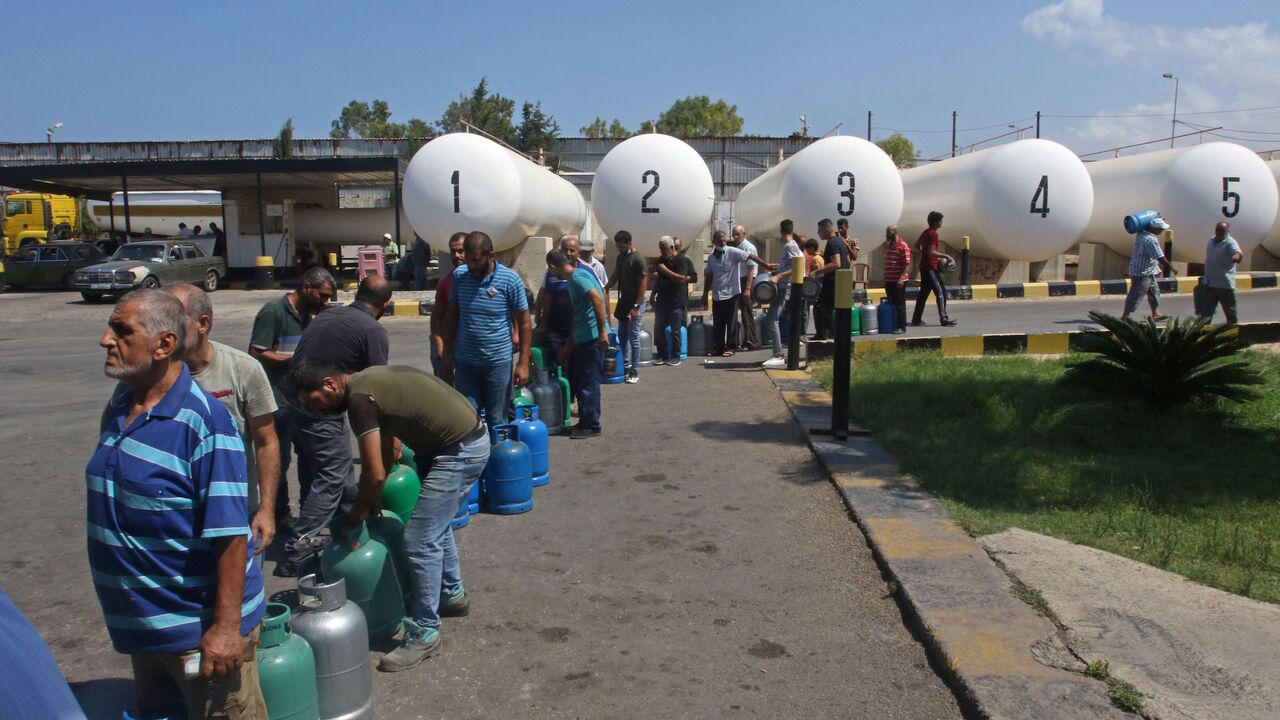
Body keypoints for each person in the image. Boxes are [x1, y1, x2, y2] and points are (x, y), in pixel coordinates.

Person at [87, 289, 267, 719]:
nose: (105, 340)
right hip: (145, 629)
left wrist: (225, 631)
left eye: (121, 331)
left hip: (197, 634)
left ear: (164, 345)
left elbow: (228, 536)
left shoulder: (205, 424)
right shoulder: (120, 404)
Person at [290, 361, 489, 671]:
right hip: (463, 440)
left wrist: (356, 516)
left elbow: (373, 473)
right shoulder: (368, 381)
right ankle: (451, 594)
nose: (319, 411)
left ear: (330, 384)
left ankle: (426, 630)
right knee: (432, 524)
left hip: (459, 450)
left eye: (316, 402)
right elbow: (388, 448)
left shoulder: (358, 401)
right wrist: (372, 496)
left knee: (420, 538)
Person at [278, 276, 392, 577]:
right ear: (385, 305)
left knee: (317, 469)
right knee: (333, 474)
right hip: (320, 403)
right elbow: (379, 387)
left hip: (296, 397)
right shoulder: (372, 330)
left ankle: (346, 531)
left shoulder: (330, 313)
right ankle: (299, 547)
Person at [168, 284, 280, 573]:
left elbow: (266, 442)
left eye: (172, 320)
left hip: (239, 510)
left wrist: (267, 509)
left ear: (202, 324)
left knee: (242, 606)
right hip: (174, 515)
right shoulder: (151, 374)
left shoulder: (243, 369)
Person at [249, 267, 335, 530]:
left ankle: (309, 514)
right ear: (307, 287)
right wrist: (296, 361)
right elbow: (257, 351)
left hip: (301, 402)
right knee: (278, 461)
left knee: (309, 457)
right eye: (322, 296)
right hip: (277, 400)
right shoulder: (273, 312)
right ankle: (277, 513)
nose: (326, 302)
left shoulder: (309, 316)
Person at [441, 231, 532, 423]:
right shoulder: (460, 276)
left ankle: (497, 453)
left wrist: (523, 362)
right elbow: (452, 315)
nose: (471, 266)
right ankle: (476, 454)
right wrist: (447, 354)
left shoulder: (510, 280)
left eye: (475, 260)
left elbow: (524, 321)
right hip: (465, 363)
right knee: (467, 419)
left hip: (497, 364)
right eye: (468, 260)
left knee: (497, 419)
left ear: (490, 256)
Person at [547, 249, 609, 438]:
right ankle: (585, 420)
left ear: (552, 267)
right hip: (583, 339)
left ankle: (592, 425)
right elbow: (578, 316)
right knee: (582, 382)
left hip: (591, 339)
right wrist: (569, 346)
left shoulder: (577, 278)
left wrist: (602, 332)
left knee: (589, 383)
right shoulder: (575, 278)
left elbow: (597, 300)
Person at [701, 230, 772, 357]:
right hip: (717, 295)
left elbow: (750, 256)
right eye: (720, 241)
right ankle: (719, 348)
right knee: (718, 323)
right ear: (714, 241)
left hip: (732, 293)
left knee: (731, 322)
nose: (723, 243)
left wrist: (766, 265)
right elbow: (709, 275)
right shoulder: (711, 257)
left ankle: (731, 347)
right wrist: (705, 294)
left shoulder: (732, 252)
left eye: (724, 240)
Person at [603, 230, 648, 384]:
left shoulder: (637, 259)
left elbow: (643, 284)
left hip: (636, 302)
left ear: (629, 243)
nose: (620, 250)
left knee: (633, 337)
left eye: (622, 247)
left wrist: (636, 307)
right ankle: (626, 365)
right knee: (622, 336)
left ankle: (634, 370)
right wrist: (607, 287)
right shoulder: (621, 257)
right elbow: (616, 274)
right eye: (618, 247)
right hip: (624, 301)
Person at [534, 235, 580, 379]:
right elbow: (547, 294)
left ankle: (573, 395)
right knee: (559, 362)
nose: (569, 253)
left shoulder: (584, 271)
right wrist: (541, 320)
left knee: (576, 364)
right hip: (556, 328)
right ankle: (564, 397)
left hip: (577, 327)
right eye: (566, 250)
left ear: (578, 251)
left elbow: (598, 297)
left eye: (572, 250)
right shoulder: (552, 272)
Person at [649, 236, 697, 365]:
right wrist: (652, 294)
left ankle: (676, 355)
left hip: (676, 302)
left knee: (675, 330)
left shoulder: (681, 261)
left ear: (671, 248)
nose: (662, 252)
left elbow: (681, 279)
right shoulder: (661, 260)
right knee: (659, 329)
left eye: (664, 249)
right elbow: (656, 277)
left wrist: (665, 270)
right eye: (660, 249)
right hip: (662, 301)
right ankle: (661, 354)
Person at [762, 220, 803, 369]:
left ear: (781, 231)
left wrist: (779, 277)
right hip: (786, 286)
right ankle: (778, 354)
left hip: (785, 287)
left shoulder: (789, 246)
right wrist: (778, 271)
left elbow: (796, 268)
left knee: (771, 319)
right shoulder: (793, 245)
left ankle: (778, 355)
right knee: (772, 319)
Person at [1121, 215, 1176, 321]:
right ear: (1155, 229)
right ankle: (1124, 317)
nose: (1161, 231)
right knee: (1136, 294)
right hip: (1142, 273)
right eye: (1160, 229)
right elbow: (1160, 257)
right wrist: (1172, 268)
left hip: (1148, 270)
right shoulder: (1150, 240)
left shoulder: (1141, 233)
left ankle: (1156, 313)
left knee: (1154, 292)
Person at [911, 211, 958, 327]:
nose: (942, 222)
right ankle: (943, 317)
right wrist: (945, 256)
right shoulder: (933, 234)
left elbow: (917, 245)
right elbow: (931, 251)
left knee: (923, 294)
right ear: (936, 222)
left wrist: (924, 254)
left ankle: (916, 319)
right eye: (941, 220)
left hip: (924, 267)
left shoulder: (926, 232)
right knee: (941, 292)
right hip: (930, 267)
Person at [430, 232, 468, 378]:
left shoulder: (484, 279)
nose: (457, 255)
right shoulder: (446, 282)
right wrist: (441, 348)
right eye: (453, 251)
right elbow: (437, 317)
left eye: (461, 251)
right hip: (451, 347)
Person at [1198, 221, 1242, 324]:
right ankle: (1204, 335)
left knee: (1230, 311)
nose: (1219, 232)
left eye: (1222, 230)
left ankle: (1232, 333)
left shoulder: (1230, 243)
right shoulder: (1212, 240)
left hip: (1224, 284)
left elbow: (1237, 253)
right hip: (1210, 283)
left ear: (1227, 231)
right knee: (1206, 313)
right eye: (1217, 230)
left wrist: (1236, 257)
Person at [812, 218, 849, 340]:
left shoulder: (833, 243)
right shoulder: (838, 242)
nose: (818, 233)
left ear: (826, 229)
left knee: (822, 309)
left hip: (833, 283)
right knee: (824, 309)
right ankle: (827, 336)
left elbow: (836, 264)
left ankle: (827, 337)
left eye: (819, 230)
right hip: (838, 282)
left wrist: (816, 272)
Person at [729, 225, 761, 350]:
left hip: (746, 280)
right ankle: (741, 340)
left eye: (738, 234)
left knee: (747, 312)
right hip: (738, 281)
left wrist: (747, 288)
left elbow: (751, 269)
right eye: (734, 234)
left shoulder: (748, 247)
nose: (736, 237)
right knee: (739, 311)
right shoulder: (737, 247)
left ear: (744, 234)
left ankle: (750, 341)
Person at [882, 225, 911, 334]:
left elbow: (906, 263)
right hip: (889, 279)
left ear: (895, 232)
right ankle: (892, 324)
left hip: (898, 280)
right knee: (891, 303)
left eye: (889, 232)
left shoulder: (903, 246)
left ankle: (901, 326)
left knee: (899, 304)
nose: (887, 235)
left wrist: (901, 278)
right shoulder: (889, 245)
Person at [801, 237, 823, 336]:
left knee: (810, 310)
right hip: (820, 286)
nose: (806, 251)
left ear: (812, 248)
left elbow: (817, 274)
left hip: (817, 286)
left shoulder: (815, 259)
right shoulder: (821, 257)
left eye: (808, 249)